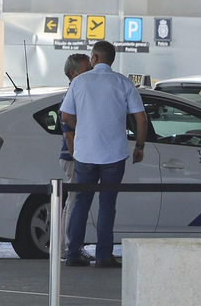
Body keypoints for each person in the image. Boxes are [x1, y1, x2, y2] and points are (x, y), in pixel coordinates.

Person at [60, 41, 148, 268]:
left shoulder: (79, 82)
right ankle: (103, 256)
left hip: (85, 154)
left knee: (81, 203)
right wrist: (139, 146)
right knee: (107, 205)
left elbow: (66, 116)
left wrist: (84, 128)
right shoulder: (123, 83)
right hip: (114, 154)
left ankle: (73, 254)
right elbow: (141, 118)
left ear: (94, 58)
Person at [59, 53, 91, 183]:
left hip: (81, 157)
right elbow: (69, 135)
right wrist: (77, 162)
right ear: (73, 73)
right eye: (87, 71)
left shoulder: (81, 94)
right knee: (75, 199)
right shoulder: (71, 98)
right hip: (73, 159)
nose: (91, 74)